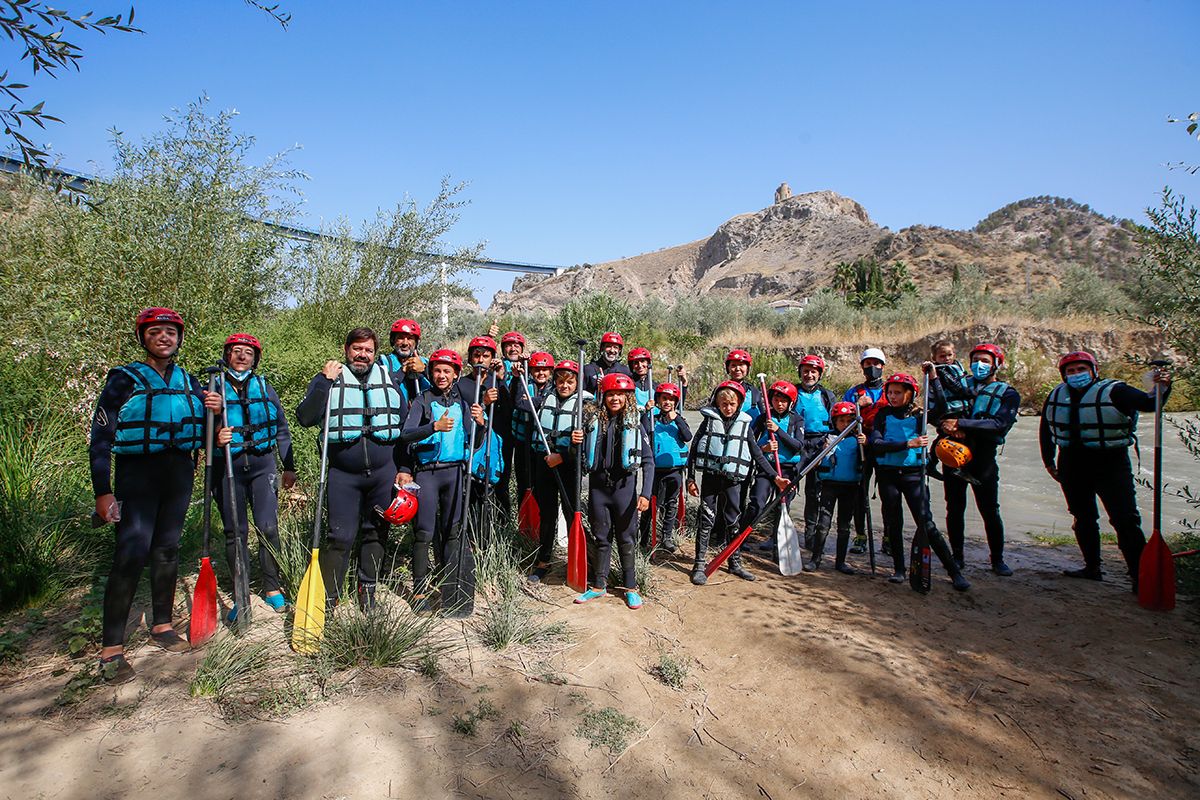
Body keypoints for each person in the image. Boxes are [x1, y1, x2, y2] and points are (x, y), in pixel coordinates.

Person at [90, 308, 226, 684]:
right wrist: (103, 492)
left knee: (167, 550)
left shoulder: (190, 381)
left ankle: (162, 625)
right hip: (138, 474)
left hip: (178, 473)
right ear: (143, 338)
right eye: (156, 332)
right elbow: (100, 439)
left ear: (179, 338)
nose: (164, 337)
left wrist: (215, 412)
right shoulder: (123, 379)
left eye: (170, 332)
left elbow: (206, 431)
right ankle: (111, 649)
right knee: (131, 554)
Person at [296, 327, 406, 613]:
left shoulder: (389, 380)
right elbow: (306, 418)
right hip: (343, 475)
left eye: (369, 350)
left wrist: (404, 468)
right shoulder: (329, 379)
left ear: (375, 353)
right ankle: (329, 599)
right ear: (347, 350)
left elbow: (403, 425)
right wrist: (323, 381)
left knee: (376, 532)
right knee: (340, 537)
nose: (363, 355)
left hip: (382, 474)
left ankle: (367, 590)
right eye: (357, 348)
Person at [1040, 351, 1171, 590]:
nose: (1076, 374)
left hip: (1111, 463)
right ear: (1063, 375)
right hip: (1071, 463)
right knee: (1083, 518)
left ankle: (1139, 576)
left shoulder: (1116, 391)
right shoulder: (1057, 394)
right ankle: (1092, 568)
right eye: (1071, 371)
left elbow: (1150, 403)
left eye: (1081, 370)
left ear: (1093, 370)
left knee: (1125, 520)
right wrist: (1048, 460)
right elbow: (1045, 429)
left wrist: (1163, 388)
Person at [213, 333, 296, 622]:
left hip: (262, 465)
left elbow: (282, 429)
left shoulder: (265, 388)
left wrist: (289, 466)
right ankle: (240, 593)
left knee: (267, 527)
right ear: (227, 355)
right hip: (228, 468)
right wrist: (214, 437)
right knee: (235, 532)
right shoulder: (212, 389)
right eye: (237, 351)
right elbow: (195, 430)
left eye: (248, 352)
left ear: (255, 358)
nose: (242, 356)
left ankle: (272, 586)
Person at [398, 349, 486, 615]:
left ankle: (451, 587)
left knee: (452, 532)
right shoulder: (423, 400)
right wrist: (432, 427)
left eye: (447, 371)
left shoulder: (463, 402)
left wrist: (480, 424)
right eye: (437, 370)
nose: (441, 375)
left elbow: (475, 442)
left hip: (455, 473)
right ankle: (419, 590)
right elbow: (406, 435)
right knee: (424, 533)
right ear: (430, 372)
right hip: (428, 473)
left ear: (456, 374)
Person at [869, 373, 969, 591]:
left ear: (910, 393)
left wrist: (934, 378)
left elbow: (942, 408)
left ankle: (954, 572)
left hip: (913, 474)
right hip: (888, 475)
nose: (892, 396)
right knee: (893, 523)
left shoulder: (920, 415)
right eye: (890, 392)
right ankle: (898, 569)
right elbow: (876, 443)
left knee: (926, 523)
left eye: (898, 393)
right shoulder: (883, 415)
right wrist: (908, 443)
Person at [929, 343, 1020, 575]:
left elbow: (999, 424)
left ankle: (997, 559)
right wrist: (945, 425)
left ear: (996, 364)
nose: (979, 364)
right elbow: (936, 413)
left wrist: (962, 424)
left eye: (985, 360)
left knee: (990, 509)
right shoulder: (959, 384)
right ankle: (957, 556)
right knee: (955, 507)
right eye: (976, 359)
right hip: (953, 454)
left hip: (983, 458)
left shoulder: (1008, 393)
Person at [687, 381, 785, 585]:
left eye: (732, 404)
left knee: (733, 520)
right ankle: (699, 564)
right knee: (706, 518)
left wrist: (775, 476)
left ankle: (735, 562)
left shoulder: (744, 424)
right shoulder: (708, 421)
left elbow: (757, 454)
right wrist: (690, 478)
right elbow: (694, 449)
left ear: (739, 403)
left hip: (733, 480)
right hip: (711, 478)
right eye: (723, 404)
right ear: (717, 403)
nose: (728, 408)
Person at [574, 373, 654, 609]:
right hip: (599, 490)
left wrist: (645, 494)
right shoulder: (592, 422)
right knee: (601, 538)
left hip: (624, 490)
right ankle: (599, 586)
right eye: (611, 394)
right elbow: (578, 456)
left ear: (628, 397)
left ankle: (631, 587)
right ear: (604, 396)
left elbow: (649, 462)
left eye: (620, 394)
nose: (615, 398)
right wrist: (574, 442)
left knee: (626, 539)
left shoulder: (636, 424)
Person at [527, 359, 591, 582]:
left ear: (577, 382)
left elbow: (589, 443)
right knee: (547, 514)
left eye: (570, 382)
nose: (565, 385)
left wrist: (562, 456)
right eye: (561, 381)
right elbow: (519, 402)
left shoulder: (585, 405)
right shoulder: (545, 398)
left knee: (571, 512)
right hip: (544, 463)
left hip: (569, 467)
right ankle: (544, 560)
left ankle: (576, 560)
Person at [745, 380, 805, 558]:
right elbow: (750, 443)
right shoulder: (763, 418)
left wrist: (778, 430)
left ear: (791, 402)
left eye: (784, 401)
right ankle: (740, 536)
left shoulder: (797, 419)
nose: (779, 404)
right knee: (757, 503)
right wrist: (764, 449)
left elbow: (798, 446)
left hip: (788, 470)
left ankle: (776, 542)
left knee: (782, 506)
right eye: (776, 400)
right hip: (767, 468)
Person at [807, 402, 868, 573]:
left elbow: (868, 462)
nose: (845, 424)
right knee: (823, 523)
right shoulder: (826, 439)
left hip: (850, 487)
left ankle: (840, 562)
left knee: (844, 525)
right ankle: (815, 559)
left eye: (849, 421)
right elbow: (813, 461)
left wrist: (866, 444)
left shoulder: (858, 441)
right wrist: (822, 450)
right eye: (842, 421)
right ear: (835, 422)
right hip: (829, 485)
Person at [845, 347, 887, 555]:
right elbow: (840, 420)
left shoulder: (892, 390)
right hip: (860, 446)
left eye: (876, 364)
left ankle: (888, 536)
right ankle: (860, 534)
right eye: (868, 364)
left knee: (888, 494)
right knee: (859, 493)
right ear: (862, 367)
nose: (872, 368)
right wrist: (856, 407)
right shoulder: (854, 393)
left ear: (882, 366)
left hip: (885, 448)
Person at [510, 350, 555, 535]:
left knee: (543, 489)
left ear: (551, 372)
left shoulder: (554, 389)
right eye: (537, 369)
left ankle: (544, 529)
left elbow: (528, 403)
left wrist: (534, 401)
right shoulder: (523, 383)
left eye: (545, 370)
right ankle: (526, 531)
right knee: (524, 485)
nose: (541, 373)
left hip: (544, 447)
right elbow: (520, 404)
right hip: (523, 445)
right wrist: (517, 378)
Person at [794, 354, 837, 549]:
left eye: (813, 371)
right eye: (805, 371)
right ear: (800, 372)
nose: (809, 375)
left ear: (819, 374)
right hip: (797, 443)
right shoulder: (793, 392)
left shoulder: (827, 395)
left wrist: (828, 446)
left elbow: (836, 425)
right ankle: (775, 531)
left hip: (820, 445)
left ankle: (810, 537)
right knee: (787, 487)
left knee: (814, 492)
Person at [648, 382, 691, 553]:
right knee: (653, 503)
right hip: (656, 470)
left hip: (674, 470)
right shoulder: (652, 418)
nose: (668, 402)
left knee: (671, 504)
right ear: (658, 399)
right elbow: (643, 430)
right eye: (664, 398)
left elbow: (687, 436)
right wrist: (646, 411)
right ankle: (646, 536)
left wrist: (678, 419)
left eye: (671, 399)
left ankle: (666, 537)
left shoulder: (679, 419)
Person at [923, 339, 974, 483]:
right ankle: (948, 466)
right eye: (942, 356)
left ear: (954, 354)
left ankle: (934, 463)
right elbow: (956, 387)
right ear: (935, 358)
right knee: (950, 435)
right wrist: (971, 393)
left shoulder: (956, 366)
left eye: (949, 355)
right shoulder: (942, 370)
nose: (947, 359)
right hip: (951, 409)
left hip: (958, 407)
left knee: (950, 437)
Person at [381, 319, 430, 405]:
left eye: (410, 338)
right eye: (400, 338)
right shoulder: (384, 362)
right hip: (396, 415)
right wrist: (403, 370)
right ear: (393, 340)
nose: (405, 343)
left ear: (416, 342)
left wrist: (425, 370)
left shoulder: (425, 362)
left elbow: (442, 386)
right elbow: (383, 391)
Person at [582, 332, 632, 396]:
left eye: (615, 347)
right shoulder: (588, 370)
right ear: (602, 348)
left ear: (619, 350)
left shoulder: (625, 371)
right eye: (608, 346)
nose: (612, 350)